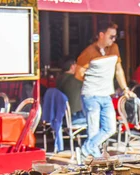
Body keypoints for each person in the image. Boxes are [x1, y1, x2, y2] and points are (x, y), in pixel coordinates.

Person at [76, 22, 134, 157]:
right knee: (94, 129)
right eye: (111, 36)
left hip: (106, 94)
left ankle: (87, 149)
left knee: (110, 128)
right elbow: (79, 73)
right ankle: (94, 158)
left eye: (115, 37)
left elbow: (119, 70)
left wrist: (125, 88)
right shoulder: (88, 52)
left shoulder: (114, 48)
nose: (114, 39)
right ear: (101, 35)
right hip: (91, 95)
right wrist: (94, 81)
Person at [56, 56, 85, 123]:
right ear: (72, 66)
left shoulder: (59, 78)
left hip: (64, 116)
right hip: (75, 116)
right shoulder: (75, 80)